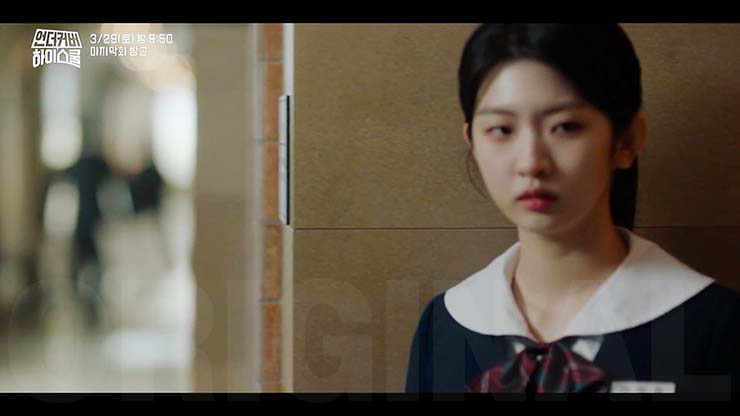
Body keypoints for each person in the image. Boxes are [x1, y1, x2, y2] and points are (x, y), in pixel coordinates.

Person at [404, 23, 740, 395]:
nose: (531, 163)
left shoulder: (716, 327)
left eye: (565, 126)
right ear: (472, 141)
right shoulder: (445, 326)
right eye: (502, 129)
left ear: (627, 140)